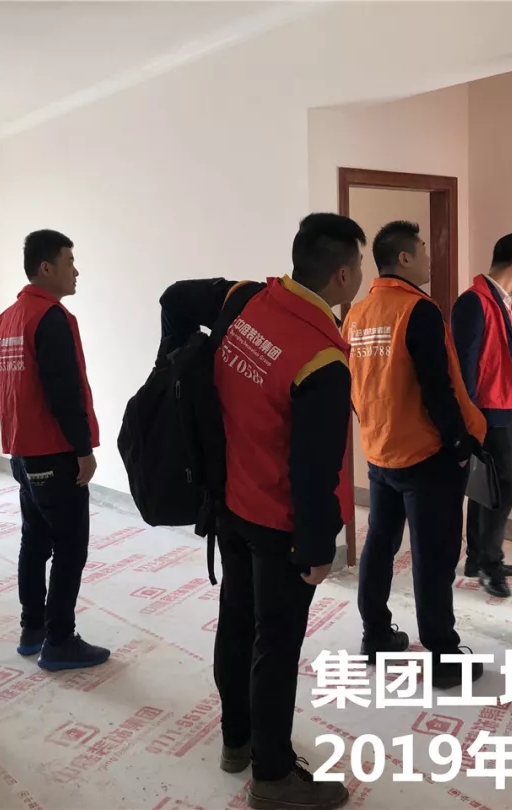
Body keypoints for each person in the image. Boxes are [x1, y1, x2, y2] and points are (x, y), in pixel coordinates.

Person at [157, 213, 364, 810]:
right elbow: (314, 471)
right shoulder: (321, 358)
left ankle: (237, 741)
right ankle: (272, 777)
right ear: (343, 275)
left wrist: (172, 363)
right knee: (275, 645)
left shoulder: (246, 300)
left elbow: (174, 298)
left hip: (231, 505)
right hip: (278, 527)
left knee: (236, 624)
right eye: (359, 267)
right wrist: (319, 549)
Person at [342, 221, 487, 688]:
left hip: (380, 452)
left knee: (379, 545)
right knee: (433, 557)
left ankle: (375, 636)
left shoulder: (357, 313)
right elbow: (437, 388)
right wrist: (459, 444)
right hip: (426, 456)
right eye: (423, 249)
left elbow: (354, 383)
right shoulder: (417, 311)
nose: (428, 257)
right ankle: (443, 657)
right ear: (404, 258)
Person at [0, 229, 110, 671]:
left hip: (22, 452)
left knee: (35, 541)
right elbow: (63, 391)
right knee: (70, 547)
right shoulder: (50, 317)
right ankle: (59, 640)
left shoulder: (7, 319)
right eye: (69, 261)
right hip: (54, 452)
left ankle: (33, 629)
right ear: (46, 267)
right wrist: (82, 450)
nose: (76, 271)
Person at [451, 232, 512, 598]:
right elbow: (464, 368)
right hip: (486, 411)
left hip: (505, 406)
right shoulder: (474, 302)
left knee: (487, 484)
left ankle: (477, 557)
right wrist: (469, 422)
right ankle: (489, 562)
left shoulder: (506, 303)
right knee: (506, 483)